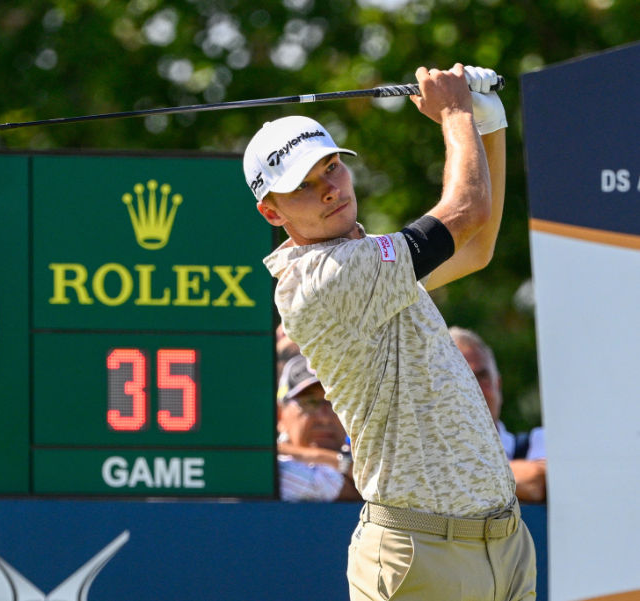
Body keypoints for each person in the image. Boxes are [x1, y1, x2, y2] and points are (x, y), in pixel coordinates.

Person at [244, 64, 536, 600]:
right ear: (272, 211)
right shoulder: (324, 278)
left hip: (503, 544)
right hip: (421, 555)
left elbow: (476, 247)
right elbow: (465, 211)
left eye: (332, 167)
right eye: (303, 187)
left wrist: (487, 121)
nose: (329, 189)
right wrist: (454, 114)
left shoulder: (374, 263)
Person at [450, 326, 547, 503]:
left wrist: (448, 477)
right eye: (460, 378)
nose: (475, 389)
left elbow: (537, 481)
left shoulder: (538, 442)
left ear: (498, 385)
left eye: (482, 376)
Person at [276, 354, 361, 502]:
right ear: (280, 415)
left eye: (335, 403)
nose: (324, 418)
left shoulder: (366, 455)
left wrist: (335, 461)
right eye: (310, 402)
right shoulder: (271, 466)